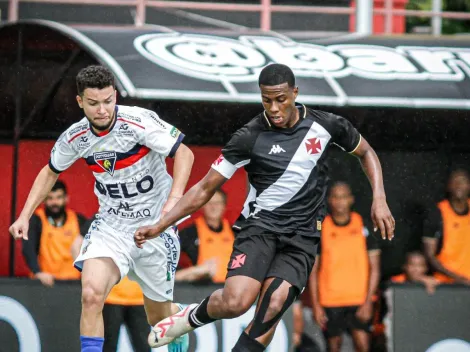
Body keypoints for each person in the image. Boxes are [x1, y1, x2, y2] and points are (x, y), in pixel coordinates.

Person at [134, 63, 395, 351]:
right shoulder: (248, 137)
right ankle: (187, 317)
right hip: (260, 229)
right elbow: (205, 188)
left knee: (273, 306)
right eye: (266, 100)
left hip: (302, 237)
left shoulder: (327, 125)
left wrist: (379, 198)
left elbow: (367, 152)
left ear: (295, 93)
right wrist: (161, 224)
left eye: (281, 99)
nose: (273, 108)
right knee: (236, 302)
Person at [9, 65, 194, 352]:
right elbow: (50, 171)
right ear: (80, 101)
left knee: (158, 319)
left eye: (108, 101)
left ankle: (175, 318)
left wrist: (174, 201)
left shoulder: (138, 121)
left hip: (156, 227)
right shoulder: (76, 137)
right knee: (92, 294)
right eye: (93, 103)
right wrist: (25, 214)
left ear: (115, 95)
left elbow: (184, 152)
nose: (103, 110)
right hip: (112, 227)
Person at [310, 182, 381, 352]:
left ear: (351, 199)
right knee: (333, 347)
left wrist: (369, 301)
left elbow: (375, 267)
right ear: (330, 200)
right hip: (330, 300)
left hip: (359, 299)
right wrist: (316, 305)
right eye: (335, 197)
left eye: (343, 197)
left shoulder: (364, 224)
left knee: (363, 346)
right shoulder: (321, 227)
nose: (340, 201)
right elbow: (313, 270)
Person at [72, 215, 151, 352]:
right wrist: (91, 276)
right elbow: (76, 245)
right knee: (108, 347)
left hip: (139, 297)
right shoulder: (106, 214)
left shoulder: (149, 216)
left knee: (143, 348)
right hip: (112, 296)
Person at [22, 180, 88, 287]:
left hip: (74, 283)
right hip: (44, 282)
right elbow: (28, 248)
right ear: (44, 200)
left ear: (66, 199)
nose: (54, 203)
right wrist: (37, 272)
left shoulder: (78, 220)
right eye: (50, 198)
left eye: (59, 197)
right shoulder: (37, 220)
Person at [423, 169, 470, 284]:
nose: (459, 185)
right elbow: (429, 255)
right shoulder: (437, 212)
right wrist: (457, 278)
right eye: (455, 181)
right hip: (445, 283)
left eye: (462, 181)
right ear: (448, 186)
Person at [178, 189, 235, 284]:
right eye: (210, 203)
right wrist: (195, 271)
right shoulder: (190, 232)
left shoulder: (235, 232)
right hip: (201, 289)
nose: (213, 207)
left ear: (224, 206)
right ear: (202, 206)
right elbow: (169, 261)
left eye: (218, 203)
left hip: (231, 289)